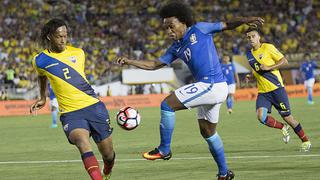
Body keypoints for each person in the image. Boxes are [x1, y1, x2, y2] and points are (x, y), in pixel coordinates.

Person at [116, 2, 264, 179]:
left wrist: (247, 20)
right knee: (208, 132)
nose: (169, 31)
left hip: (212, 84)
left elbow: (226, 24)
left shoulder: (199, 29)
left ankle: (164, 150)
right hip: (211, 88)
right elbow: (155, 64)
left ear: (183, 21)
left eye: (171, 26)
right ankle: (224, 173)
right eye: (166, 28)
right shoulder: (176, 47)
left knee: (167, 104)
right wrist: (130, 62)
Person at [30, 18, 115, 180]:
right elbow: (41, 77)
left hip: (94, 107)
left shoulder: (78, 53)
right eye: (58, 36)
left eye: (65, 35)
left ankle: (107, 170)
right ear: (49, 37)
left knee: (108, 154)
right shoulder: (39, 60)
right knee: (83, 143)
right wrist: (43, 97)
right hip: (70, 113)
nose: (63, 39)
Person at [244, 27, 311, 152]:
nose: (251, 39)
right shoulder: (249, 55)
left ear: (259, 37)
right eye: (249, 37)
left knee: (288, 117)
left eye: (253, 36)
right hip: (263, 92)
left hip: (277, 89)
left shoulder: (268, 47)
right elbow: (257, 69)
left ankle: (305, 140)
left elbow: (284, 61)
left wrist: (269, 67)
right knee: (261, 117)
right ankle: (282, 127)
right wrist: (251, 76)